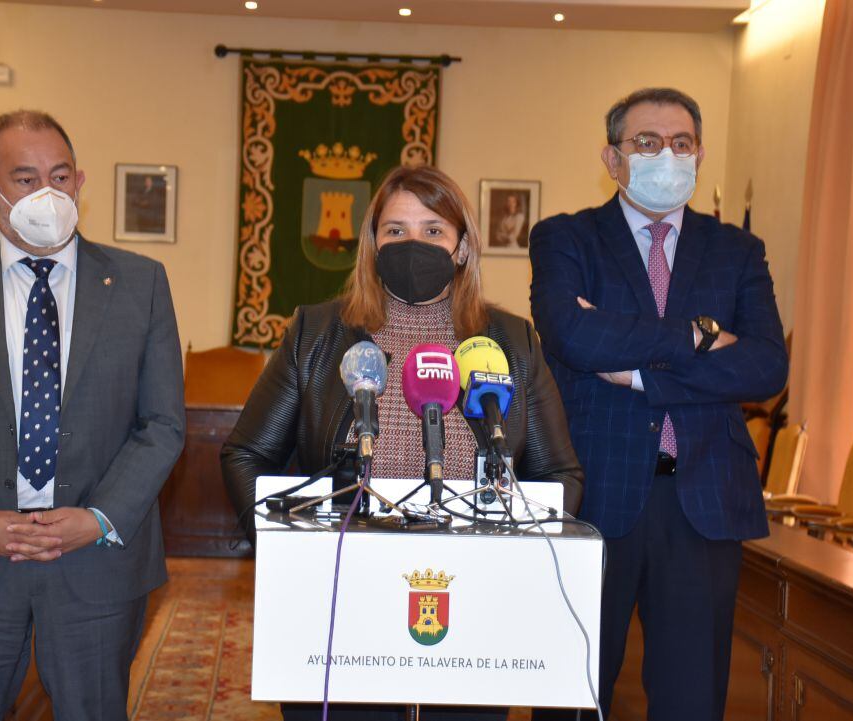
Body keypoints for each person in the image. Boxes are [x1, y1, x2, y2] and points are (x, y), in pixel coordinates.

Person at [222, 164, 584, 721]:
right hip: (342, 604)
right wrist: (289, 554)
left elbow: (560, 473)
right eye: (396, 231)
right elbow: (246, 453)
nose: (413, 244)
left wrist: (518, 565)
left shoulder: (512, 342)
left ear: (462, 247)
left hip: (476, 611)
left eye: (433, 230)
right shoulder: (317, 334)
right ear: (371, 244)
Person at [0, 110, 186, 721]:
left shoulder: (140, 283)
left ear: (80, 183)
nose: (46, 193)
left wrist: (98, 518)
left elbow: (162, 425)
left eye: (60, 175)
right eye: (24, 179)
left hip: (96, 566)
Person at [528, 88, 788, 721]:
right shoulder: (565, 239)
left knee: (691, 699)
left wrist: (643, 375)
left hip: (703, 498)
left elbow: (766, 366)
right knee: (573, 692)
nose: (665, 154)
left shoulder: (737, 251)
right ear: (612, 159)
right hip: (592, 491)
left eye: (681, 142)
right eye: (646, 142)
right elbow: (571, 335)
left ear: (699, 154)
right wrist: (698, 339)